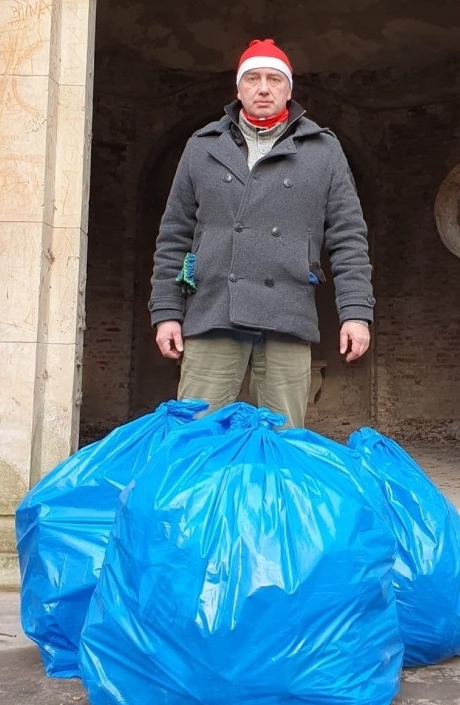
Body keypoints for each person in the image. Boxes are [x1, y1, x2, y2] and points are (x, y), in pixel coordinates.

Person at [149, 38, 375, 428]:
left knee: (282, 439)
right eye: (252, 78)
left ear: (289, 88)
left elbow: (348, 236)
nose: (264, 87)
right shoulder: (202, 146)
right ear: (238, 89)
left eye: (274, 78)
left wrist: (356, 313)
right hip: (213, 307)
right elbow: (174, 235)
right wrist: (167, 311)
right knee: (194, 436)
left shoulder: (323, 149)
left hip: (287, 310)